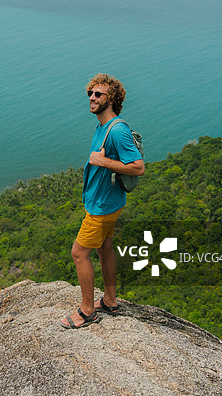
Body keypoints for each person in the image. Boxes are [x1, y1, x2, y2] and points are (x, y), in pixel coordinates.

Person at [60, 73, 144, 329]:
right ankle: (109, 299)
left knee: (78, 253)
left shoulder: (117, 130)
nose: (92, 98)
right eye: (90, 93)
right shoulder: (102, 127)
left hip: (102, 207)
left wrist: (102, 161)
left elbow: (138, 167)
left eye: (98, 94)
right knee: (104, 247)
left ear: (112, 99)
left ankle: (87, 311)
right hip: (108, 202)